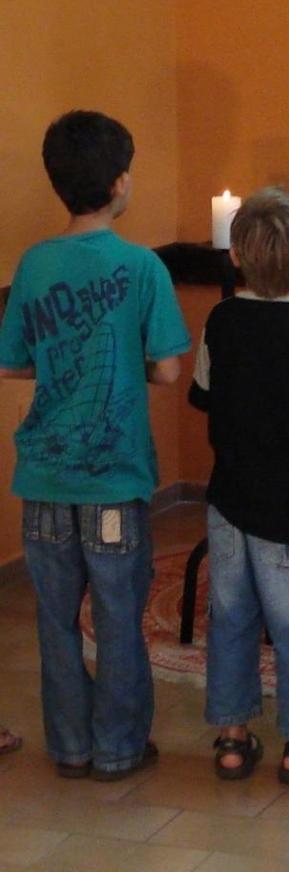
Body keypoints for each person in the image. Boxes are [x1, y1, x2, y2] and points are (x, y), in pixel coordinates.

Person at [0, 111, 190, 780]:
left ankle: (71, 748)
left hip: (45, 478)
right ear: (119, 184)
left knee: (53, 621)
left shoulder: (33, 263)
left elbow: (14, 361)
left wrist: (67, 364)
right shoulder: (141, 267)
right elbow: (169, 368)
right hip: (113, 478)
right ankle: (118, 747)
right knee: (116, 619)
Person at [188, 189, 289, 784]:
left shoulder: (220, 320)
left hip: (228, 498)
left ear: (236, 256)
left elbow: (206, 398)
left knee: (230, 617)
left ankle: (231, 737)